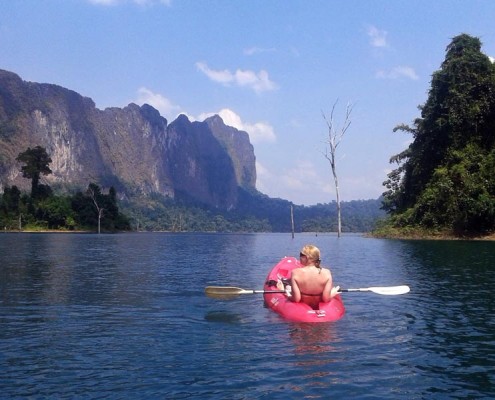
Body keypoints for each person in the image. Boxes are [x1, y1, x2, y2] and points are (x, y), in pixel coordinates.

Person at [278, 244, 340, 310]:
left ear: (307, 257)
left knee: (287, 287)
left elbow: (296, 299)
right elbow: (326, 298)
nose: (299, 257)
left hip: (302, 308)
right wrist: (333, 293)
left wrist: (285, 293)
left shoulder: (295, 273)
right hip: (317, 304)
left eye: (301, 255)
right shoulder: (326, 273)